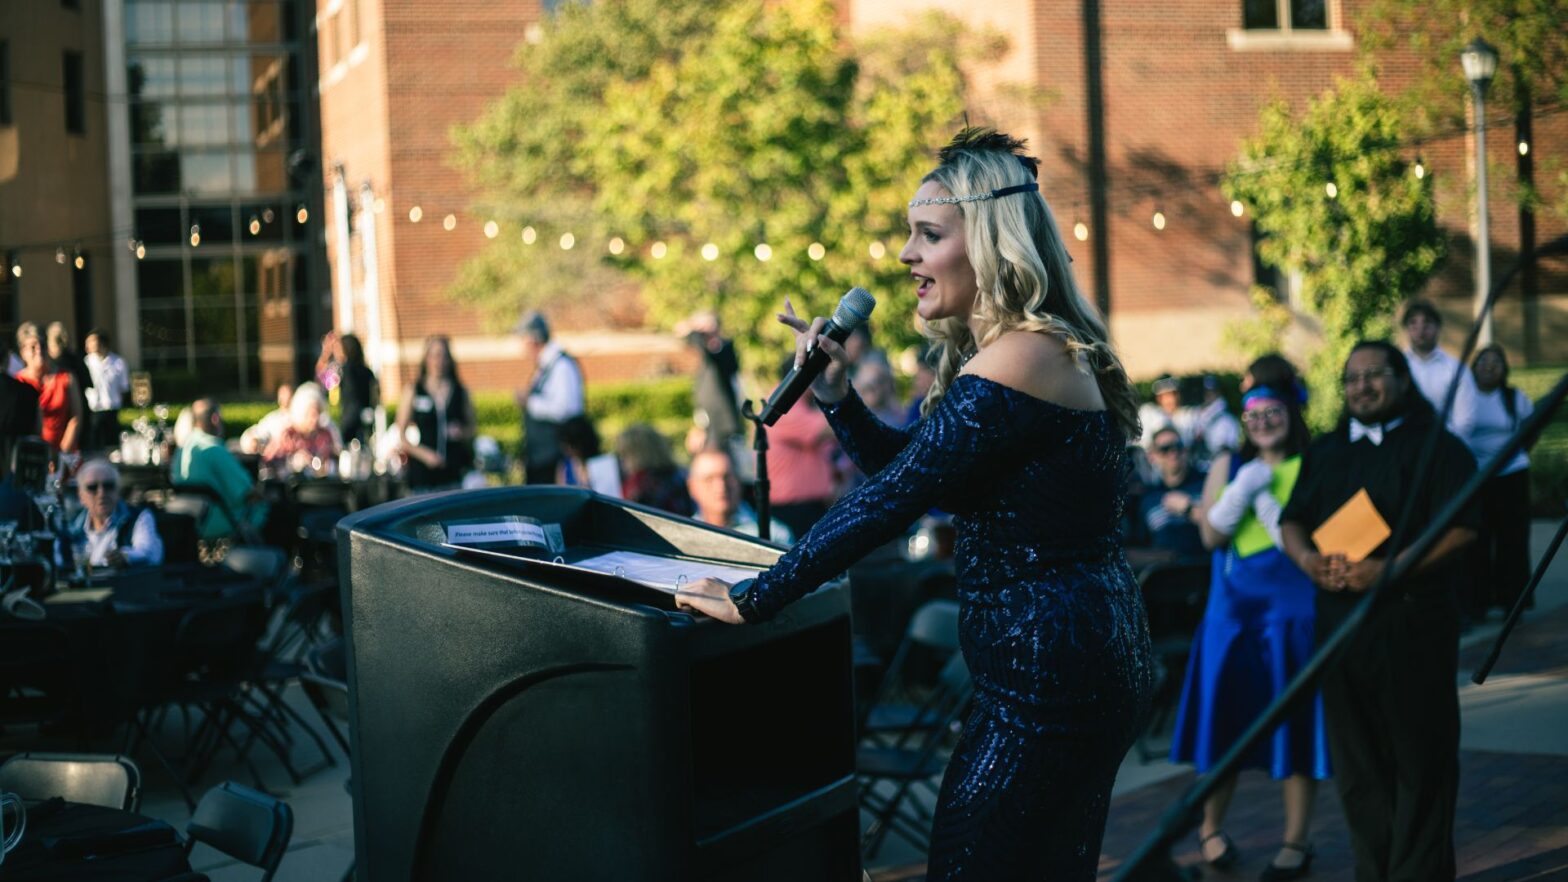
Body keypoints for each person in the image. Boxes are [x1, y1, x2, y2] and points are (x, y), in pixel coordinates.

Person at [674, 128, 1153, 879]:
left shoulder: (1022, 354)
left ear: (990, 245)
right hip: (1065, 661)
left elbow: (895, 498)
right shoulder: (1022, 354)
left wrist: (754, 598)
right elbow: (923, 475)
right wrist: (836, 399)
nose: (905, 256)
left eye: (928, 235)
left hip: (1049, 672)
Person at [1280, 341, 1479, 882]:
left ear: (1402, 380)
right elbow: (1292, 519)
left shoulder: (1438, 445)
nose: (1361, 386)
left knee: (1420, 760)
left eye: (1373, 375)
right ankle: (1375, 871)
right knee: (1357, 764)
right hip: (1339, 627)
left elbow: (1463, 526)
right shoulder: (1326, 449)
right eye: (1351, 378)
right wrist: (1307, 561)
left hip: (1411, 623)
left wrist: (1392, 569)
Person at [1170, 376, 1328, 881]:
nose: (1262, 421)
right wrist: (1245, 488)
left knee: (1295, 720)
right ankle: (1210, 829)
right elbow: (1212, 533)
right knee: (1226, 721)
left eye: (1273, 411)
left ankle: (1296, 840)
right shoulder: (1229, 464)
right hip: (1233, 611)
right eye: (1252, 414)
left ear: (1291, 413)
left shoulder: (1317, 465)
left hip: (1294, 607)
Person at [1468, 344, 1533, 615]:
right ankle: (1479, 603)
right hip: (1476, 478)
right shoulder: (1466, 397)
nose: (1489, 366)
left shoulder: (1513, 397)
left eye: (1496, 362)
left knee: (1512, 541)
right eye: (1484, 361)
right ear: (1475, 367)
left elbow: (1531, 428)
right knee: (1477, 542)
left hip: (1511, 476)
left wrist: (1513, 456)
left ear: (1504, 369)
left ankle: (1513, 602)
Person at [764, 356, 840, 539]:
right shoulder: (784, 402)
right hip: (793, 510)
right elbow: (830, 428)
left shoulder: (802, 405)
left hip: (808, 507)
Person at [173, 398, 269, 540]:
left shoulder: (182, 449)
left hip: (190, 522)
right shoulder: (215, 449)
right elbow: (248, 493)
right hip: (220, 521)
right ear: (215, 419)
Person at [396, 335, 476, 493]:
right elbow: (401, 435)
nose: (439, 361)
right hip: (423, 476)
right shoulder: (414, 390)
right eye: (434, 356)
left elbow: (473, 428)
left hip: (452, 473)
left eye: (443, 356)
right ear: (426, 359)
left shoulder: (460, 392)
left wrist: (462, 433)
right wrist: (426, 455)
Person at [515, 311, 585, 485]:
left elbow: (566, 409)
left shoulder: (562, 366)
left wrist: (530, 403)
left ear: (533, 340)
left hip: (554, 459)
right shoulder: (546, 366)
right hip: (541, 458)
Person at [63, 459, 163, 570]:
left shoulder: (139, 517)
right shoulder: (70, 527)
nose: (101, 493)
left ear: (118, 491)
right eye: (92, 487)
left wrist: (125, 557)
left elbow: (149, 553)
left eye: (108, 486)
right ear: (81, 496)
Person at [1400, 299, 1477, 440]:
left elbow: (1465, 423)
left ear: (1438, 327)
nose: (1420, 329)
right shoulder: (1397, 367)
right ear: (1406, 329)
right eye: (1413, 323)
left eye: (1427, 323)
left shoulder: (1456, 370)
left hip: (1443, 445)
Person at [686, 447, 792, 543]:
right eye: (709, 479)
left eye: (727, 477)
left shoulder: (775, 536)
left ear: (739, 481)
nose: (721, 487)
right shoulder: (683, 538)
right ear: (692, 487)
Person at [1134, 426, 1207, 557]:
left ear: (1185, 450)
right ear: (1152, 457)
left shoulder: (1206, 483)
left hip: (1206, 569)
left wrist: (1189, 509)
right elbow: (1142, 546)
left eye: (1178, 446)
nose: (1173, 453)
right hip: (1166, 574)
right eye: (1165, 449)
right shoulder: (1148, 499)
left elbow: (1222, 525)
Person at [678, 311, 743, 450]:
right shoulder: (704, 359)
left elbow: (716, 356)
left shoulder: (724, 349)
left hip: (724, 421)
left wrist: (697, 330)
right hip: (708, 419)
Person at [15, 323, 81, 455]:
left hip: (64, 454)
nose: (39, 350)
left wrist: (62, 452)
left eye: (43, 345)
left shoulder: (66, 377)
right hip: (32, 455)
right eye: (33, 347)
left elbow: (76, 417)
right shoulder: (18, 382)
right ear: (23, 353)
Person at [261, 382, 341, 473]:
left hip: (320, 484)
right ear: (301, 413)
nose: (315, 419)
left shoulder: (325, 435)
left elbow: (336, 458)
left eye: (318, 413)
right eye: (311, 414)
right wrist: (293, 461)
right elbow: (268, 462)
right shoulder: (288, 435)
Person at [615, 424, 693, 516]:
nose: (622, 460)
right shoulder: (680, 475)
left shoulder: (641, 486)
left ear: (638, 454)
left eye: (625, 454)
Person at [83, 329, 130, 452]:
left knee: (112, 448)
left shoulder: (118, 362)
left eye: (92, 341)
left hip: (112, 410)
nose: (88, 345)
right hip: (94, 411)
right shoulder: (86, 363)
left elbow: (124, 387)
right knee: (94, 448)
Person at [336, 333, 378, 446]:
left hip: (350, 422)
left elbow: (324, 382)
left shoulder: (345, 371)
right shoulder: (368, 372)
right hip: (366, 421)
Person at [1190, 374, 1241, 466]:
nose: (1208, 395)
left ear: (1219, 392)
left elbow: (1229, 451)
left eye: (1212, 392)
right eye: (1206, 392)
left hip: (1218, 466)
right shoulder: (1195, 415)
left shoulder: (1228, 420)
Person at [46, 322, 93, 418]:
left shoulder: (47, 363)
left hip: (57, 413)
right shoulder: (76, 359)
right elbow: (88, 383)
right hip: (77, 411)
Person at [1138, 375, 1193, 449]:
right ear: (1159, 398)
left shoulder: (1188, 415)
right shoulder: (1149, 413)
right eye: (1166, 395)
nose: (1172, 399)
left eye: (1174, 394)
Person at [240, 383, 294, 454]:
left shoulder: (304, 418)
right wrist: (259, 447)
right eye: (283, 394)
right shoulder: (273, 419)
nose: (287, 396)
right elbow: (251, 441)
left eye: (289, 393)